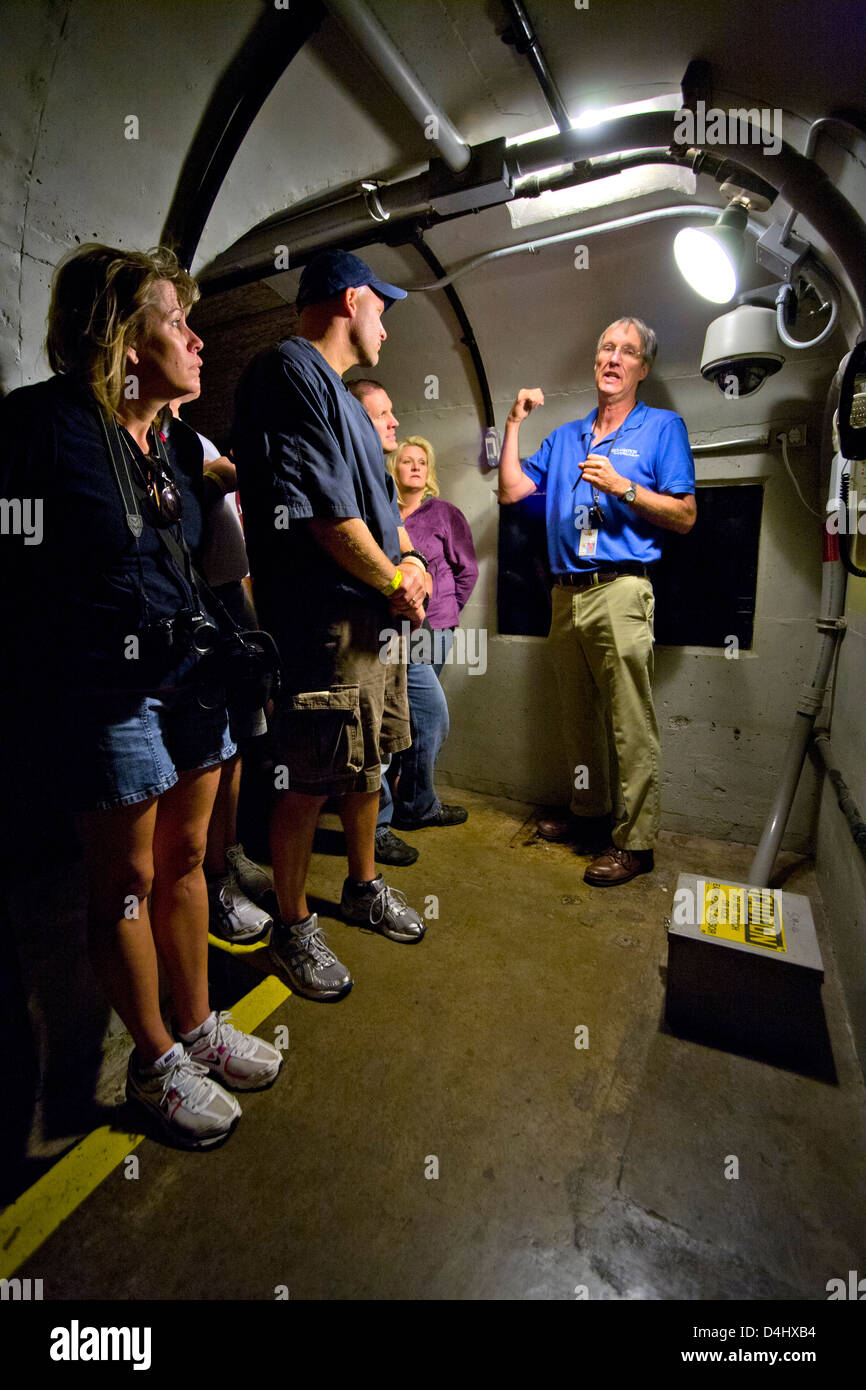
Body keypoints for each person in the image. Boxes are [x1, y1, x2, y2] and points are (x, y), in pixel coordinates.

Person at [0, 243, 283, 1149]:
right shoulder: (41, 427)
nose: (198, 341)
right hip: (108, 697)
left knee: (190, 858)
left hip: (191, 683)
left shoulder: (171, 447)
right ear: (124, 336)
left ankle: (196, 1026)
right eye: (177, 322)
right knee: (125, 878)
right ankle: (152, 1058)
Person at [232, 249, 430, 1002]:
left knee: (368, 763)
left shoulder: (349, 399)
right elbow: (320, 513)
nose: (386, 324)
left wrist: (413, 566)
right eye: (382, 306)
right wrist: (390, 578)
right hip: (325, 622)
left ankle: (361, 884)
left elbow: (383, 517)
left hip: (371, 622)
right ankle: (290, 922)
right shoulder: (289, 371)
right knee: (309, 775)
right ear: (353, 299)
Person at [498, 316, 696, 886]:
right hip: (566, 595)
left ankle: (636, 844)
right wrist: (514, 423)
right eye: (606, 348)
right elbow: (512, 490)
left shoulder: (662, 428)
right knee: (578, 721)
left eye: (627, 352)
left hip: (622, 589)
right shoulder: (565, 437)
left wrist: (624, 488)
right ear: (596, 362)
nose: (613, 358)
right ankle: (589, 816)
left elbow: (685, 516)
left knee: (630, 723)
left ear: (643, 368)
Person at [169, 394, 274, 945]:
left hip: (231, 601)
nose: (197, 344)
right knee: (211, 751)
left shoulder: (194, 439)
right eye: (177, 327)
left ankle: (227, 855)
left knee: (236, 748)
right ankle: (211, 883)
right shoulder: (157, 444)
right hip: (200, 605)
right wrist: (215, 478)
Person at [344, 379, 419, 866]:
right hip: (359, 626)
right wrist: (399, 585)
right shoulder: (345, 470)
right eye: (382, 414)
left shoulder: (380, 477)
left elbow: (400, 539)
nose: (394, 422)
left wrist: (417, 568)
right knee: (356, 756)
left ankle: (382, 833)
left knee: (386, 744)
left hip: (392, 625)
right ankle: (364, 864)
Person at [387, 434, 478, 829]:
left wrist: (446, 607)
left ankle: (412, 799)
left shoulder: (444, 513)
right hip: (386, 631)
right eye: (407, 460)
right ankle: (404, 800)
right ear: (395, 468)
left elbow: (467, 569)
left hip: (433, 628)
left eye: (422, 461)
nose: (416, 466)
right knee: (400, 715)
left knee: (421, 718)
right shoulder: (383, 511)